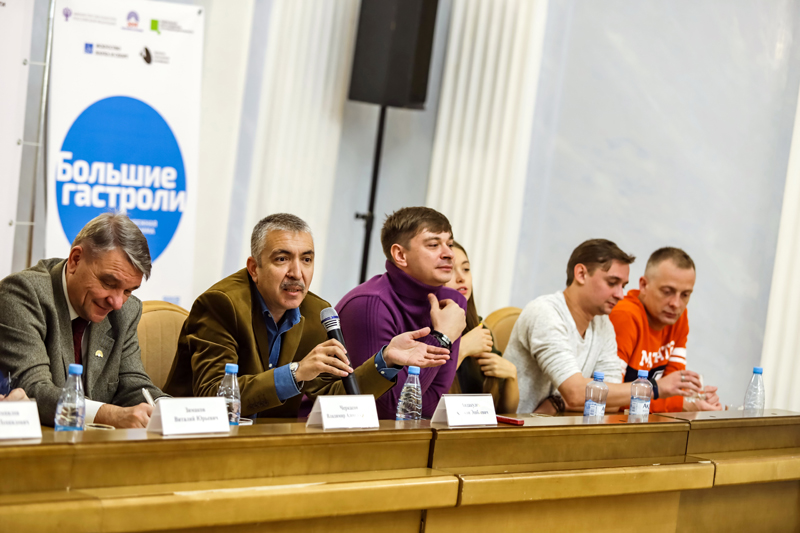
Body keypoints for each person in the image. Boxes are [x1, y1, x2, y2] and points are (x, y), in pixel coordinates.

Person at [164, 213, 450, 418]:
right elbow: (215, 396)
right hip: (195, 438)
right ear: (254, 268)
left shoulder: (316, 312)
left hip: (270, 448)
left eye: (307, 259)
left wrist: (385, 360)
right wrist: (296, 373)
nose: (297, 273)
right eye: (282, 259)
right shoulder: (221, 304)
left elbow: (332, 400)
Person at [0, 212, 165, 427]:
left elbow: (135, 385)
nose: (117, 302)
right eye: (109, 283)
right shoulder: (22, 294)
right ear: (75, 259)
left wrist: (171, 412)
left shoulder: (126, 311)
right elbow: (34, 390)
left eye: (128, 291)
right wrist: (111, 415)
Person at [505, 239, 703, 414]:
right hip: (514, 433)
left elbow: (611, 403)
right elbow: (575, 392)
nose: (620, 295)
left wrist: (558, 403)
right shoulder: (545, 313)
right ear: (581, 274)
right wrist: (654, 388)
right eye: (612, 283)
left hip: (559, 431)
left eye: (623, 286)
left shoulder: (603, 324)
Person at [336, 207, 467, 419]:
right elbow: (387, 409)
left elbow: (434, 403)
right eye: (434, 245)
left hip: (408, 430)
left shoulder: (452, 305)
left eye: (449, 244)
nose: (449, 253)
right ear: (400, 255)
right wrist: (442, 337)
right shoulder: (369, 304)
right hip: (330, 430)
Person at [610, 247, 722, 412]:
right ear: (644, 285)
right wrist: (684, 404)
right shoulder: (625, 316)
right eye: (667, 292)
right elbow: (609, 397)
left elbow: (673, 390)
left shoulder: (678, 318)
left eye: (685, 295)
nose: (676, 304)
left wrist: (698, 398)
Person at [445, 242, 519, 413]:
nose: (461, 278)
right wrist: (462, 349)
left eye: (466, 269)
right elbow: (420, 398)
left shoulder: (479, 328)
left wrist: (511, 375)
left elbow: (507, 411)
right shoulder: (423, 331)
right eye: (449, 270)